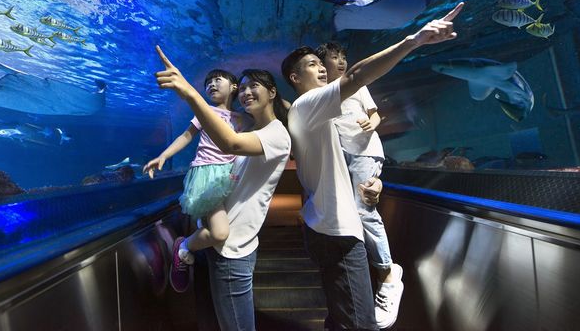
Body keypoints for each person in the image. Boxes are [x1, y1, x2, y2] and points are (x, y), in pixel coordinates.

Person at [282, 3, 464, 330]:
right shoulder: (308, 104)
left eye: (320, 62)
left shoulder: (320, 114)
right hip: (336, 232)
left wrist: (377, 180)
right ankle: (388, 272)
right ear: (295, 78)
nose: (322, 68)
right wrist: (414, 40)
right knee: (359, 323)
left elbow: (346, 159)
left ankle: (383, 276)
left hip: (325, 227)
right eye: (312, 65)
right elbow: (357, 75)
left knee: (342, 315)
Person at [154, 46, 291, 331]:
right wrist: (165, 155)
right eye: (242, 87)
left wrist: (191, 93)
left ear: (272, 92)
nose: (246, 92)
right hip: (220, 227)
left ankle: (185, 246)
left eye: (254, 86)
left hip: (234, 248)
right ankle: (188, 246)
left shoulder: (271, 134)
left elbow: (230, 143)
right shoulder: (253, 128)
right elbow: (193, 136)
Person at [316, 41, 403, 329]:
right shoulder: (323, 92)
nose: (340, 62)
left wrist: (372, 122)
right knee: (351, 214)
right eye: (334, 58)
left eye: (343, 57)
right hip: (344, 154)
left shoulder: (354, 83)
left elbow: (375, 112)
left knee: (364, 210)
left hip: (365, 149)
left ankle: (388, 274)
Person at [144, 68, 241, 293]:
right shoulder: (204, 111)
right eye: (208, 82)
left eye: (218, 79)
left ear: (234, 86)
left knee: (221, 228)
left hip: (231, 174)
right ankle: (183, 248)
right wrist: (164, 155)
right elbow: (185, 136)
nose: (212, 84)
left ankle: (196, 240)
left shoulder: (241, 118)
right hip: (207, 175)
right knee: (219, 232)